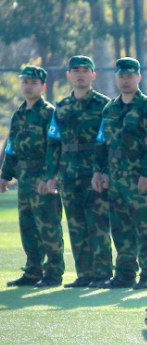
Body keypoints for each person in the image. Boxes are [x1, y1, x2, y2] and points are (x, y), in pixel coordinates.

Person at [44, 56, 113, 288]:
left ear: (93, 75)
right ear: (68, 75)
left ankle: (102, 273)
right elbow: (53, 142)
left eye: (85, 70)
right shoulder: (61, 107)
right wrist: (51, 174)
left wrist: (103, 171)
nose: (80, 74)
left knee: (98, 223)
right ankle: (84, 274)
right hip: (68, 173)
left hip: (93, 172)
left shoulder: (104, 105)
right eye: (76, 70)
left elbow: (107, 142)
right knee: (75, 224)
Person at [92, 57, 147, 289]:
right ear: (116, 78)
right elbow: (101, 143)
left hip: (137, 176)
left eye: (130, 76)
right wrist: (99, 171)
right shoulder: (110, 109)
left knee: (145, 226)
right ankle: (125, 274)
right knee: (120, 227)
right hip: (115, 176)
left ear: (138, 78)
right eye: (122, 76)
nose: (125, 80)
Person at [1, 65, 65, 288]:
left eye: (33, 83)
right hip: (24, 178)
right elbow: (11, 146)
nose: (28, 87)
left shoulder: (48, 113)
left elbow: (54, 147)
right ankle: (33, 271)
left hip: (42, 177)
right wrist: (5, 175)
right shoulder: (19, 114)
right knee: (27, 227)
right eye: (25, 82)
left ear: (43, 86)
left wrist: (49, 177)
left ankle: (54, 272)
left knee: (48, 226)